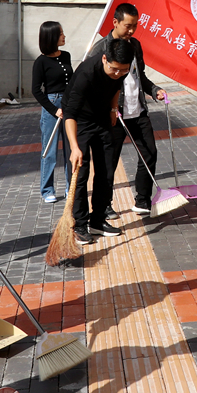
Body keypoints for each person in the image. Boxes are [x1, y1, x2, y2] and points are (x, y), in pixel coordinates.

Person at [86, 3, 166, 219]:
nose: (131, 30)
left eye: (135, 26)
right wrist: (107, 108)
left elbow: (141, 77)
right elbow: (92, 84)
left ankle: (143, 200)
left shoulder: (136, 45)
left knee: (149, 153)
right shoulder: (101, 48)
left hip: (138, 111)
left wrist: (155, 90)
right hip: (113, 116)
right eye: (128, 26)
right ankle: (104, 205)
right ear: (115, 22)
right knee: (108, 162)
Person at [64, 36, 133, 244]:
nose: (118, 74)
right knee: (81, 174)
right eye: (114, 69)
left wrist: (113, 108)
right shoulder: (86, 73)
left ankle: (98, 220)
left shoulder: (121, 70)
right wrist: (74, 147)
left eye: (123, 70)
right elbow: (70, 115)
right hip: (80, 120)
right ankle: (80, 224)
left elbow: (116, 86)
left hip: (102, 118)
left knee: (106, 171)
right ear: (104, 59)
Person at [32, 21, 73, 203]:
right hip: (52, 105)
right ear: (51, 37)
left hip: (69, 104)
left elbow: (71, 82)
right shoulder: (40, 62)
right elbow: (36, 90)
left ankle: (71, 187)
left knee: (71, 149)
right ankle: (47, 190)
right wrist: (54, 110)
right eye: (61, 33)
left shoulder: (66, 55)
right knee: (49, 150)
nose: (64, 36)